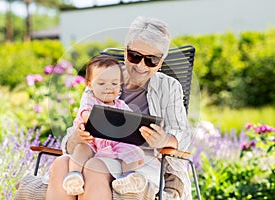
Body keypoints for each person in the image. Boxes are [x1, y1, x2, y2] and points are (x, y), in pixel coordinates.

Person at [45, 16, 192, 200]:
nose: (140, 66)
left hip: (138, 163)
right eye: (135, 56)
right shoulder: (104, 78)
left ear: (160, 62)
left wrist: (164, 139)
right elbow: (73, 137)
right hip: (95, 151)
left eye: (151, 60)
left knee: (94, 170)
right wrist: (76, 136)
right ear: (125, 52)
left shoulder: (169, 87)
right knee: (61, 164)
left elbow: (184, 135)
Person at [62, 54, 145, 196]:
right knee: (81, 149)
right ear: (89, 84)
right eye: (101, 83)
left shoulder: (121, 105)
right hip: (93, 142)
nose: (108, 88)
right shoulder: (90, 99)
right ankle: (74, 175)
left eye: (114, 84)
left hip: (114, 145)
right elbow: (86, 115)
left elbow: (132, 121)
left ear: (120, 84)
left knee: (133, 151)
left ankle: (127, 178)